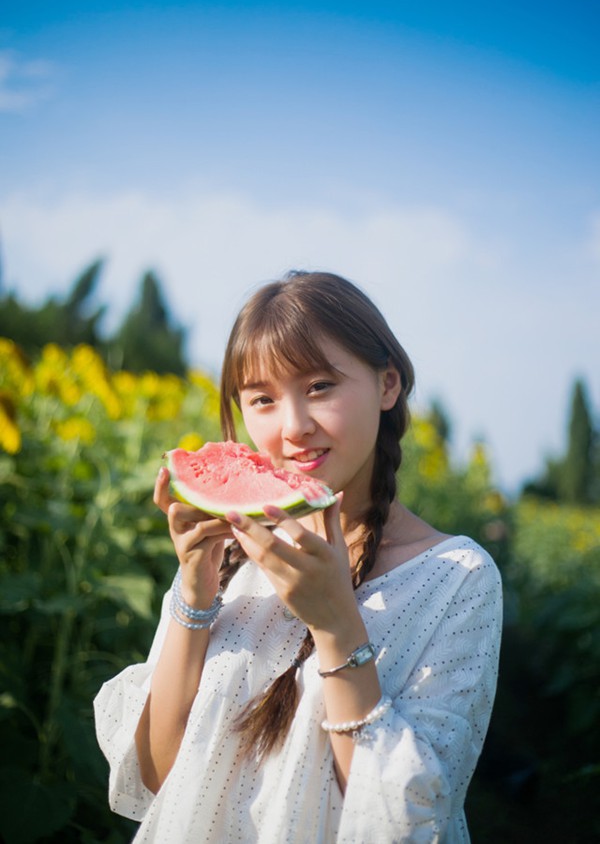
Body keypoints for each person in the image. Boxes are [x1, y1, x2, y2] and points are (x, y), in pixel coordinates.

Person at [94, 270, 503, 843]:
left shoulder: (458, 579)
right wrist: (194, 589)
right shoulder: (231, 559)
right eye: (262, 398)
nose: (293, 428)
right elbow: (160, 778)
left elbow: (402, 824)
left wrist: (336, 623)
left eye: (319, 387)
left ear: (387, 385)